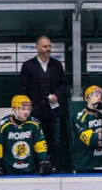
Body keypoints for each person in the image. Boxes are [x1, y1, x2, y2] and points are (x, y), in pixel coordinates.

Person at [18, 35, 66, 168]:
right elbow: (23, 89)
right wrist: (27, 108)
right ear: (37, 48)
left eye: (49, 46)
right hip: (34, 112)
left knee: (54, 141)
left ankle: (53, 166)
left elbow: (63, 84)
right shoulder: (28, 66)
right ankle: (35, 166)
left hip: (53, 110)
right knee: (34, 140)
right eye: (45, 46)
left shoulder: (57, 65)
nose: (48, 48)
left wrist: (57, 95)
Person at [0, 95, 53, 176]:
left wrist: (43, 161)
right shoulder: (4, 124)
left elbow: (40, 144)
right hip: (8, 170)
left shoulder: (35, 124)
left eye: (28, 109)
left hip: (30, 170)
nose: (26, 112)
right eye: (23, 109)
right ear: (14, 109)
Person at [72, 85, 102, 173]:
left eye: (101, 96)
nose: (99, 98)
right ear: (88, 98)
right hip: (84, 165)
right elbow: (90, 140)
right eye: (96, 95)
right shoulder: (80, 117)